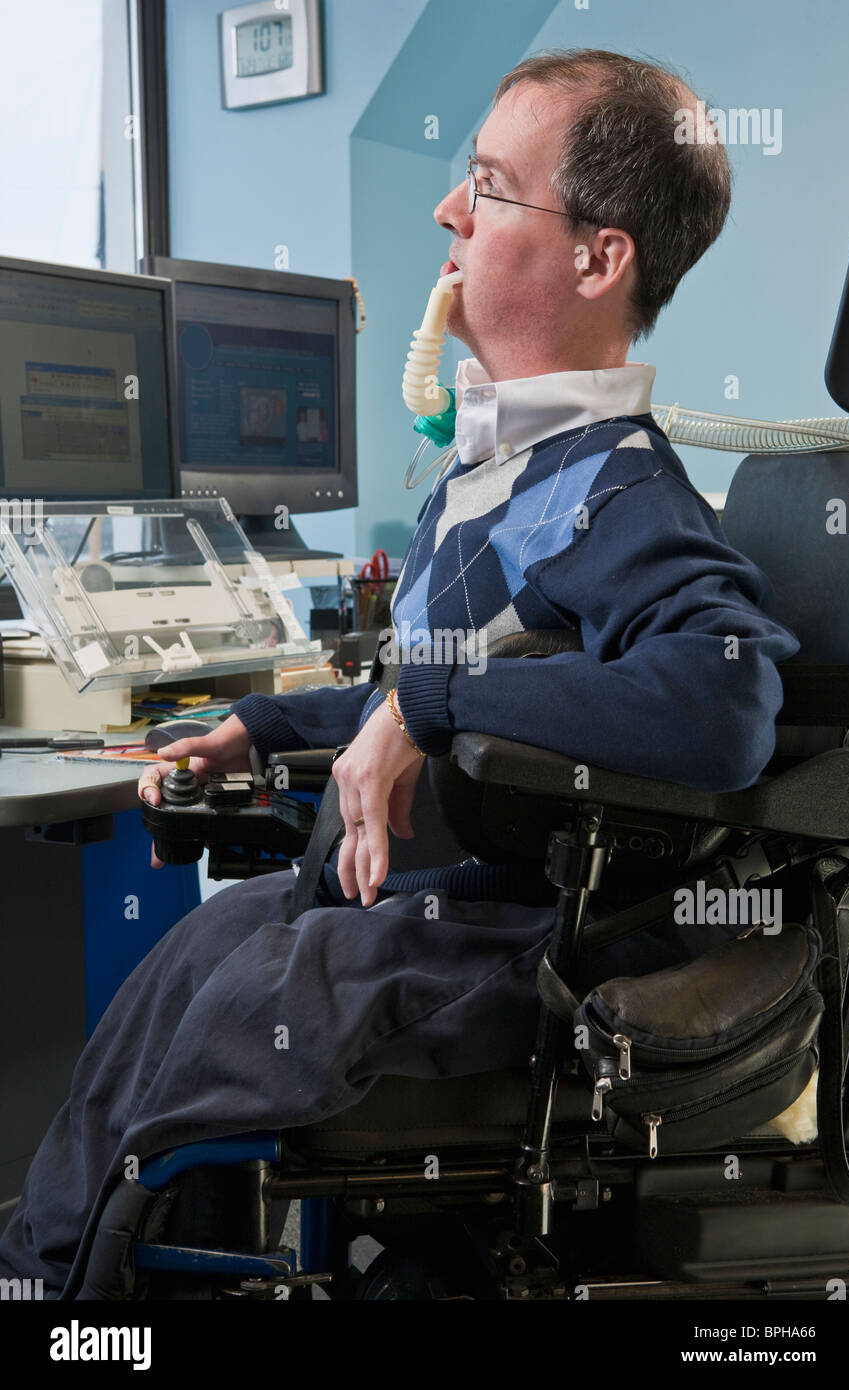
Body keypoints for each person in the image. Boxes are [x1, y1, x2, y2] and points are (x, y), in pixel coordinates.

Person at [0, 48, 800, 1299]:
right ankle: (51, 1272)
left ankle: (83, 1282)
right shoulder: (501, 472)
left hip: (526, 934)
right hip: (414, 910)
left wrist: (423, 707)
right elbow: (429, 676)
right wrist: (266, 726)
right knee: (206, 944)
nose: (447, 210)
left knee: (273, 979)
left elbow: (726, 696)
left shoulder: (622, 493)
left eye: (487, 184)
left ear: (597, 259)